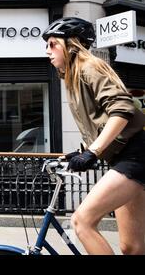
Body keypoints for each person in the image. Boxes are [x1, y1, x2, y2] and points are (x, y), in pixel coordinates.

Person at [42, 17, 145, 255]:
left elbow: (121, 110)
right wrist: (79, 153)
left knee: (82, 221)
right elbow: (102, 124)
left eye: (52, 44)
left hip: (135, 155)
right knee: (133, 247)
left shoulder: (89, 67)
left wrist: (93, 152)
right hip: (125, 158)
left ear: (71, 44)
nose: (47, 50)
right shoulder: (74, 76)